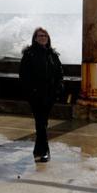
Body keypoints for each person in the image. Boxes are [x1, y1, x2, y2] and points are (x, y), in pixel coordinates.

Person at [18, 27, 64, 163]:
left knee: (43, 122)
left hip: (50, 95)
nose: (42, 37)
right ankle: (43, 152)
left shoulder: (52, 54)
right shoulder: (29, 54)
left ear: (48, 38)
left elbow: (60, 73)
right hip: (36, 95)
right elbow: (23, 75)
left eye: (45, 35)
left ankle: (38, 150)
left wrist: (58, 89)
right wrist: (30, 92)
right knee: (41, 122)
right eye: (39, 35)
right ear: (35, 38)